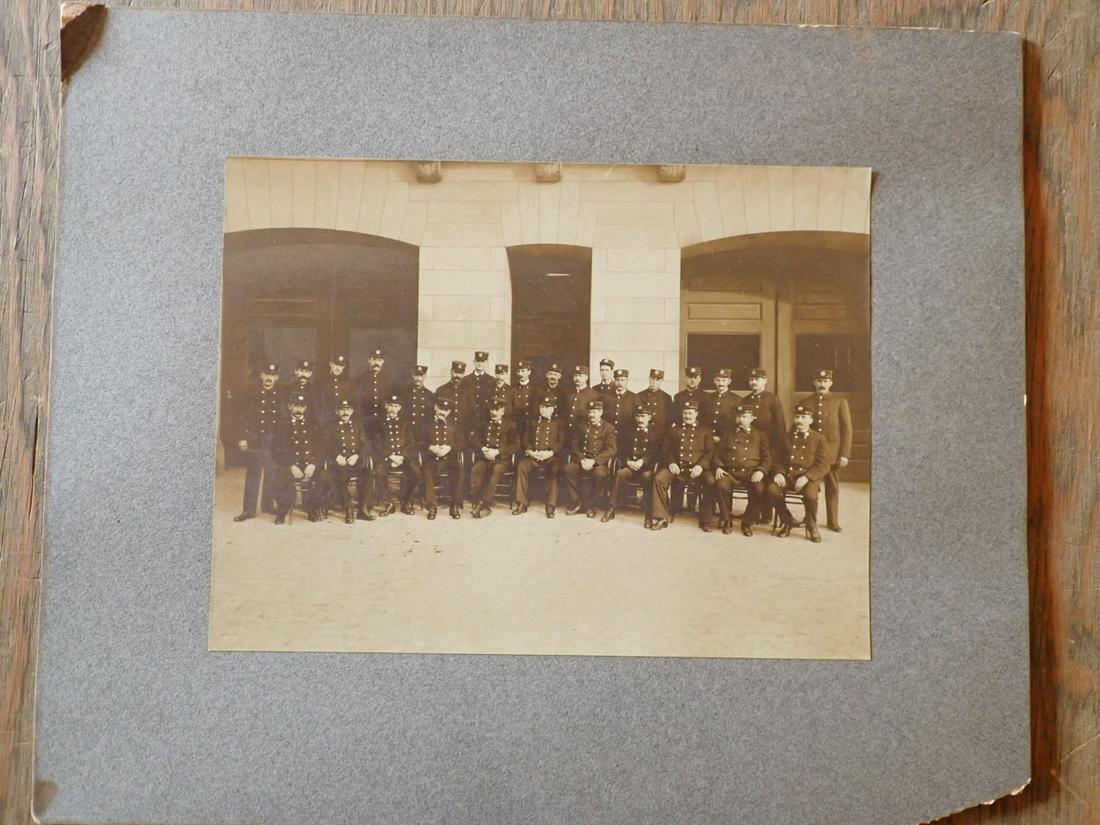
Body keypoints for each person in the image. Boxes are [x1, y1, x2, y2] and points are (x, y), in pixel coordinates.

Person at [703, 404, 771, 536]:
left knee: (759, 489)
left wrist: (761, 471)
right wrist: (718, 467)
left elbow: (767, 458)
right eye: (738, 416)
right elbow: (717, 454)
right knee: (721, 484)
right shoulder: (728, 433)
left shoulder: (760, 435)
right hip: (730, 472)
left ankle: (747, 522)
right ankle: (727, 519)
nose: (740, 419)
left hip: (751, 473)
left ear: (752, 418)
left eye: (744, 416)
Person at [767, 403, 830, 542]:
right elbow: (777, 459)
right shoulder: (785, 437)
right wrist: (779, 472)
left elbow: (823, 464)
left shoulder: (819, 438)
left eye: (803, 417)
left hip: (808, 478)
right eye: (797, 417)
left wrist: (807, 477)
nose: (799, 420)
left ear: (811, 420)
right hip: (788, 475)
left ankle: (811, 525)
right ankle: (787, 520)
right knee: (772, 490)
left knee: (811, 496)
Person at [798, 369, 852, 532]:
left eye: (825, 381)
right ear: (814, 383)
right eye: (819, 381)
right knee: (809, 486)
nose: (822, 384)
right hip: (811, 452)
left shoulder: (839, 401)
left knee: (832, 487)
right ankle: (809, 517)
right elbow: (800, 429)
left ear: (830, 383)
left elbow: (846, 429)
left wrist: (844, 453)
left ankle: (832, 521)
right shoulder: (805, 402)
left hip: (832, 452)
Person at [650, 399, 713, 531]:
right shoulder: (673, 430)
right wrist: (671, 462)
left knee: (710, 481)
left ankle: (705, 520)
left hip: (697, 468)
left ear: (696, 414)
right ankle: (661, 516)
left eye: (690, 413)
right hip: (677, 467)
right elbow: (666, 450)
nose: (687, 416)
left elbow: (710, 452)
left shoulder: (705, 430)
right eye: (685, 413)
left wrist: (701, 466)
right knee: (659, 479)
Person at [234, 362, 283, 522]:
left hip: (271, 442)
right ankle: (248, 510)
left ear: (277, 378)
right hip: (254, 440)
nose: (269, 378)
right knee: (253, 475)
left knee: (270, 474)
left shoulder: (279, 395)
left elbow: (283, 420)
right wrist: (242, 437)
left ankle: (267, 505)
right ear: (261, 375)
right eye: (266, 375)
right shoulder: (251, 393)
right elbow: (242, 416)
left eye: (272, 376)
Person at [271, 393, 329, 524]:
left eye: (302, 406)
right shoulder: (281, 425)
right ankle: (282, 511)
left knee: (325, 477)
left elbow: (322, 446)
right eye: (295, 406)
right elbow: (275, 450)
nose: (298, 410)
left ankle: (311, 508)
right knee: (279, 478)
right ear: (289, 406)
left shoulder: (313, 423)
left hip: (309, 464)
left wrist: (313, 464)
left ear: (306, 408)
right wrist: (291, 465)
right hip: (289, 464)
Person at [739, 367, 786, 524]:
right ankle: (753, 511)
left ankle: (766, 514)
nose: (754, 382)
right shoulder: (745, 401)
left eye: (757, 379)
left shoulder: (772, 400)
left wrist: (776, 450)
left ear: (765, 381)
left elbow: (780, 427)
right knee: (754, 479)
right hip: (751, 447)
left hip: (770, 447)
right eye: (751, 379)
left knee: (766, 479)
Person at [604, 406, 661, 523]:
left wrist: (642, 461)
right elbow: (622, 450)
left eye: (643, 416)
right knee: (620, 473)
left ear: (649, 417)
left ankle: (648, 514)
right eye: (638, 416)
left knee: (647, 477)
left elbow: (656, 452)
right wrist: (628, 461)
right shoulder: (629, 432)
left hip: (646, 468)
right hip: (631, 466)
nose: (640, 419)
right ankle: (611, 508)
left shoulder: (656, 432)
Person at [563, 400, 617, 518]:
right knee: (568, 469)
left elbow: (611, 450)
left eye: (595, 412)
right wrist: (582, 459)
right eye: (590, 412)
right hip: (583, 461)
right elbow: (574, 445)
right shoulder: (582, 426)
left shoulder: (608, 428)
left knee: (599, 474)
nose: (592, 415)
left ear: (601, 412)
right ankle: (577, 500)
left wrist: (594, 461)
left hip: (599, 463)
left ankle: (591, 505)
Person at [368, 394, 419, 516]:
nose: (392, 409)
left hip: (402, 458)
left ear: (400, 408)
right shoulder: (379, 423)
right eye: (390, 405)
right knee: (379, 472)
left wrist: (402, 456)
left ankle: (406, 502)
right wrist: (390, 456)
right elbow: (376, 443)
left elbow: (410, 443)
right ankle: (389, 503)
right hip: (387, 457)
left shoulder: (405, 423)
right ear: (386, 406)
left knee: (415, 472)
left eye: (395, 406)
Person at [513, 396, 563, 518]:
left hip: (550, 457)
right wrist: (530, 451)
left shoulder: (558, 423)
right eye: (542, 407)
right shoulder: (532, 422)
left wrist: (551, 452)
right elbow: (525, 440)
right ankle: (522, 503)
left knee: (555, 470)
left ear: (552, 409)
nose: (544, 410)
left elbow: (561, 442)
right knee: (522, 466)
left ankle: (550, 506)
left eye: (547, 407)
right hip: (533, 456)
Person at [469, 399, 520, 518]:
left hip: (501, 459)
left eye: (496, 410)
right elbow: (474, 439)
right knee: (476, 469)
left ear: (502, 411)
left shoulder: (510, 424)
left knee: (496, 471)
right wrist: (483, 449)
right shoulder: (483, 423)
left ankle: (483, 503)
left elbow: (515, 445)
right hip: (485, 457)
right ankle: (479, 503)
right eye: (492, 409)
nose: (493, 412)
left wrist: (498, 451)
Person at [417, 396, 465, 520]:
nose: (443, 412)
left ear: (449, 411)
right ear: (435, 407)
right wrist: (431, 447)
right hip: (432, 459)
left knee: (459, 470)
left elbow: (462, 441)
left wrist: (450, 447)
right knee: (426, 471)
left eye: (446, 409)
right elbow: (419, 441)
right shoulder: (426, 424)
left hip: (449, 459)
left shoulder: (454, 424)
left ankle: (455, 505)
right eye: (441, 408)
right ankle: (432, 506)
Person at [325, 399, 368, 524]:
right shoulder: (331, 427)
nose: (345, 412)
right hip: (339, 464)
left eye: (348, 409)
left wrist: (357, 455)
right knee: (341, 477)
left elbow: (364, 445)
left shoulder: (357, 425)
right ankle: (348, 508)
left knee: (368, 474)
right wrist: (336, 456)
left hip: (355, 462)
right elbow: (326, 444)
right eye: (342, 410)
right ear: (337, 412)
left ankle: (362, 509)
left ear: (352, 411)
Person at [358, 348, 395, 430]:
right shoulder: (360, 379)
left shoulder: (389, 380)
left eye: (379, 360)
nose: (376, 363)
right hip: (365, 421)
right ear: (369, 360)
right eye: (374, 359)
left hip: (383, 421)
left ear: (383, 361)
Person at [316, 354, 355, 425]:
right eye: (336, 364)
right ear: (331, 363)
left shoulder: (348, 383)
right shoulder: (322, 382)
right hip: (327, 419)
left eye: (341, 365)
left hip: (343, 420)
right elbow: (318, 404)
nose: (338, 368)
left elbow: (352, 402)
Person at [702, 367, 740, 441]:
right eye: (718, 380)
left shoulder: (736, 399)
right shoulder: (707, 398)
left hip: (727, 440)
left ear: (729, 381)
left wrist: (722, 438)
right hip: (708, 438)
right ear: (714, 381)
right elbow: (702, 420)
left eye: (724, 380)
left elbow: (736, 424)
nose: (720, 383)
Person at [562, 365, 600, 438]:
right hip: (567, 433)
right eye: (575, 376)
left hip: (583, 433)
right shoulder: (568, 393)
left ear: (586, 377)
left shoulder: (594, 395)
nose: (577, 378)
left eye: (580, 376)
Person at [634, 368, 673, 439]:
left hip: (661, 435)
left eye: (657, 380)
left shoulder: (666, 398)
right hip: (644, 434)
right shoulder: (640, 395)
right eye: (652, 379)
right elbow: (637, 416)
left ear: (661, 381)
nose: (654, 382)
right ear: (649, 378)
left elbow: (670, 419)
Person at [434, 360, 472, 428]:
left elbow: (472, 413)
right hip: (446, 431)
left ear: (463, 373)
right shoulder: (441, 390)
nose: (457, 375)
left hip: (462, 431)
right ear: (451, 371)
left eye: (460, 373)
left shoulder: (468, 391)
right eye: (455, 372)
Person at [462, 350, 495, 427]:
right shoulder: (465, 380)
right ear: (474, 362)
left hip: (485, 420)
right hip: (469, 420)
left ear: (486, 362)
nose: (479, 363)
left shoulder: (492, 381)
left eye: (482, 361)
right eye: (477, 361)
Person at [511, 359, 536, 446]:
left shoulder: (535, 389)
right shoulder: (512, 388)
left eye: (523, 371)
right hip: (516, 423)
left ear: (529, 372)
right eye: (518, 371)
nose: (520, 374)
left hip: (529, 423)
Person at [402, 365, 435, 430]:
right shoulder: (405, 393)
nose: (418, 379)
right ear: (412, 376)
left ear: (425, 377)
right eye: (416, 375)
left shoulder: (430, 395)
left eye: (421, 376)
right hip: (408, 429)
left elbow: (431, 415)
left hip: (423, 430)